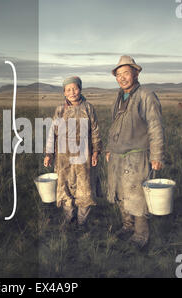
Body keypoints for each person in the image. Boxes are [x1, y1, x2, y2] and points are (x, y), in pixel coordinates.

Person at [105, 56, 165, 248]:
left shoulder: (146, 95)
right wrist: (109, 149)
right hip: (118, 155)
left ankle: (140, 235)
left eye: (126, 73)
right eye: (118, 74)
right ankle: (127, 227)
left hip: (137, 155)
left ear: (136, 73)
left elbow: (155, 127)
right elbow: (115, 126)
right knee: (121, 193)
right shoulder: (120, 96)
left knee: (137, 196)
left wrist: (156, 156)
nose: (122, 78)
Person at [44, 76, 102, 226]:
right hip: (63, 157)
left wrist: (96, 151)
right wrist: (49, 154)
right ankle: (69, 218)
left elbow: (95, 131)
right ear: (64, 92)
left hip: (84, 156)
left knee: (84, 188)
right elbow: (52, 133)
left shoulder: (88, 108)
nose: (72, 92)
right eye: (68, 89)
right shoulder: (60, 110)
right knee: (65, 188)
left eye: (75, 88)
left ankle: (82, 221)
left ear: (80, 89)